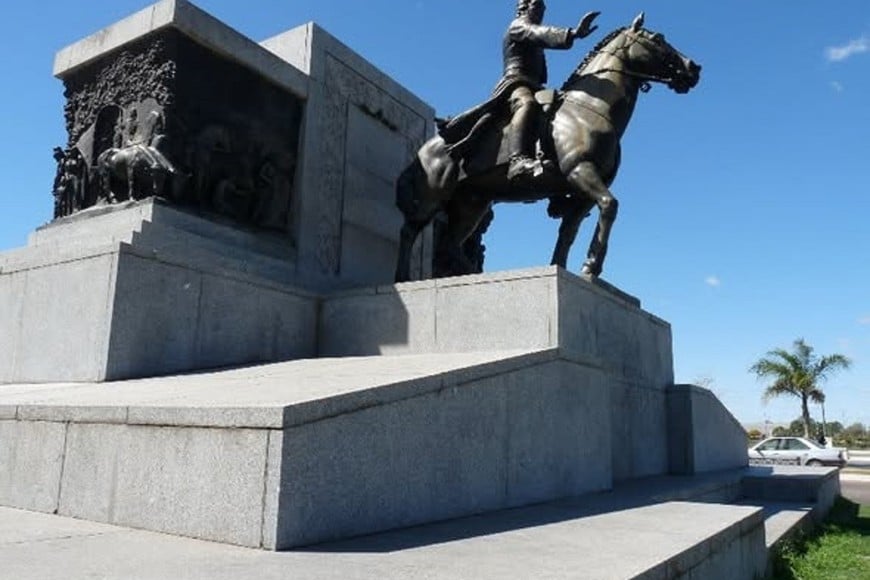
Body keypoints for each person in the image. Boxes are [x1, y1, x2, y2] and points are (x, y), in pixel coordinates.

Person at [500, 0, 599, 180]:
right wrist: (573, 33)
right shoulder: (518, 26)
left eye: (542, 9)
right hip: (515, 83)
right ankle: (517, 160)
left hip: (536, 86)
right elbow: (537, 33)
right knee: (527, 104)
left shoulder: (530, 33)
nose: (541, 12)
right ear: (523, 7)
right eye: (537, 6)